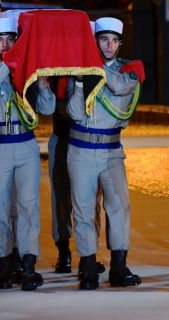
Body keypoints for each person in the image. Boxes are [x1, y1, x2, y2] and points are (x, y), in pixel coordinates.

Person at [0, 18, 56, 291]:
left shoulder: (27, 71)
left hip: (26, 144)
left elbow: (47, 108)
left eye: (10, 39)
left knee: (29, 207)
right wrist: (11, 64)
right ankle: (3, 265)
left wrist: (42, 85)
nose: (6, 45)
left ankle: (28, 264)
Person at [66, 17, 143, 290]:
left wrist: (92, 67)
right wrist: (77, 83)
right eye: (103, 39)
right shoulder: (79, 71)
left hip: (111, 150)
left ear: (120, 43)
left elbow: (122, 87)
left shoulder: (130, 70)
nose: (109, 45)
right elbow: (74, 114)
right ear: (95, 41)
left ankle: (119, 268)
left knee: (119, 208)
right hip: (81, 149)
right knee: (84, 209)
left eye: (114, 40)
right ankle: (88, 268)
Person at [48, 21, 106, 279]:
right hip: (63, 138)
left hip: (88, 142)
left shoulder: (99, 70)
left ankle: (88, 255)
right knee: (62, 199)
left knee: (92, 202)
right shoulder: (62, 69)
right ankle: (64, 250)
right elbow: (57, 108)